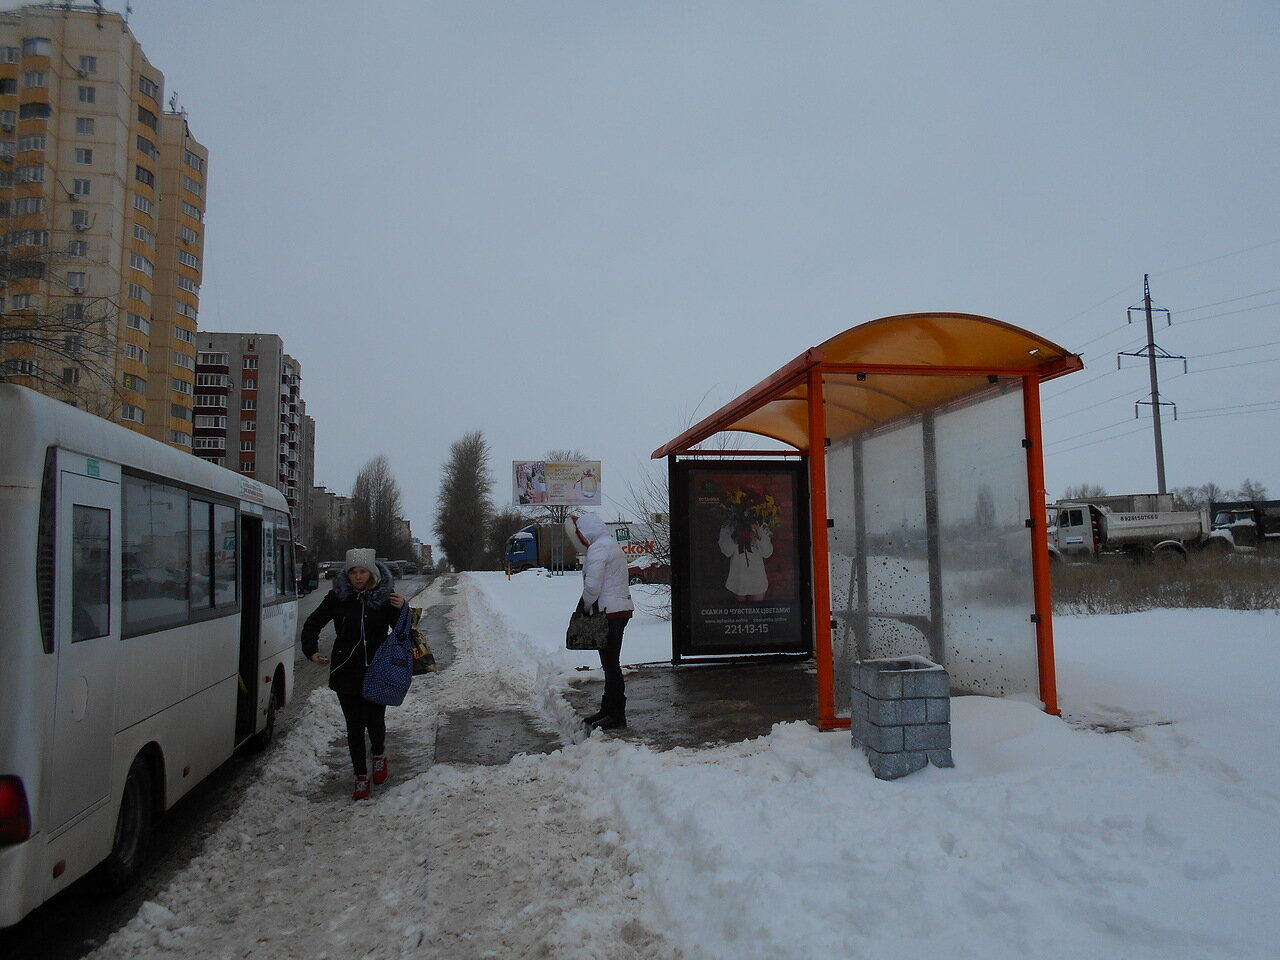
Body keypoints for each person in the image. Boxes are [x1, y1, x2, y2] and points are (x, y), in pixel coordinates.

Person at [301, 547, 405, 800]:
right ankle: (360, 775)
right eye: (353, 572)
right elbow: (312, 624)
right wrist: (311, 651)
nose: (358, 577)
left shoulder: (385, 597)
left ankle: (378, 755)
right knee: (354, 726)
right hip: (346, 670)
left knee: (374, 720)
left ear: (372, 573)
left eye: (363, 572)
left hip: (376, 672)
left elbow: (404, 632)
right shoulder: (337, 597)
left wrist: (404, 609)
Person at [569, 513, 634, 729]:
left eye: (580, 534)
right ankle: (608, 710)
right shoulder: (611, 545)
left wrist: (584, 608)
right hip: (620, 610)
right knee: (610, 664)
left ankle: (616, 714)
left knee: (611, 665)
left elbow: (592, 586)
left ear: (588, 531)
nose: (580, 538)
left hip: (609, 613)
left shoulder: (598, 549)